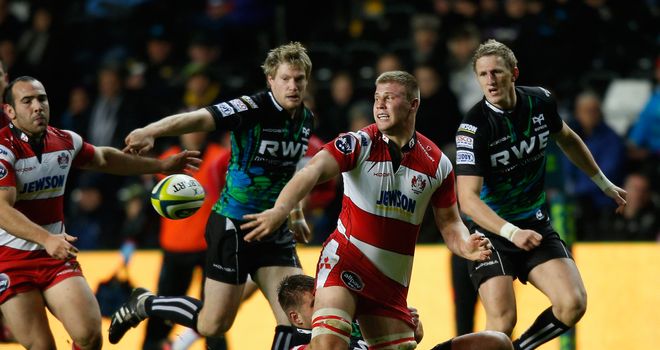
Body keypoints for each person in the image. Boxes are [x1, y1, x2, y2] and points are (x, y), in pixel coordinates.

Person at [241, 71, 506, 350]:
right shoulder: (358, 144)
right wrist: (280, 209)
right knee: (330, 344)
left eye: (389, 98)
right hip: (346, 260)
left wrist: (466, 245)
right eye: (377, 98)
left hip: (391, 285)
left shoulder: (438, 164)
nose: (379, 105)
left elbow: (450, 223)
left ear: (413, 105)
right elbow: (312, 171)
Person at [108, 42, 314, 350]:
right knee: (213, 323)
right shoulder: (251, 107)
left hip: (273, 231)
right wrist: (152, 130)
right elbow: (197, 118)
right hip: (232, 227)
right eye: (285, 78)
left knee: (299, 317)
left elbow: (290, 170)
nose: (293, 86)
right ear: (271, 80)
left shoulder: (305, 119)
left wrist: (295, 211)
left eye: (299, 79)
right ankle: (146, 303)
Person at [0, 76, 200, 350]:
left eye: (42, 99)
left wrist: (161, 166)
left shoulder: (65, 141)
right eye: (27, 101)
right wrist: (46, 238)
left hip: (54, 256)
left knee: (90, 337)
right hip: (10, 260)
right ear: (9, 111)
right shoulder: (3, 150)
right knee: (42, 346)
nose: (37, 106)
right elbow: (1, 210)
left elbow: (105, 158)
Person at [454, 39, 627, 350]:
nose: (490, 81)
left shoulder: (541, 101)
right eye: (483, 74)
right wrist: (511, 232)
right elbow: (467, 200)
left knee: (573, 303)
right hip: (491, 233)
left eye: (497, 72)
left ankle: (520, 348)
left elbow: (568, 139)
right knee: (502, 322)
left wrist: (604, 183)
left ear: (514, 73)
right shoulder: (474, 127)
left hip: (534, 224)